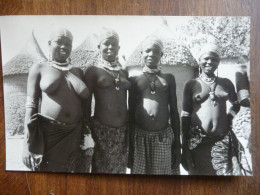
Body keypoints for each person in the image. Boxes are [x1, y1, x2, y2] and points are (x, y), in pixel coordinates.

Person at [22, 28, 90, 172]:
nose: (64, 46)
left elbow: (86, 107)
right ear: (49, 43)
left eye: (68, 43)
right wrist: (26, 144)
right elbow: (31, 106)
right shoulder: (39, 68)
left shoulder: (78, 71)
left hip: (75, 134)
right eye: (59, 42)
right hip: (49, 135)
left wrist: (87, 135)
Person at [181, 43, 252, 175]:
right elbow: (185, 114)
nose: (209, 62)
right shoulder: (191, 84)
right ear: (199, 60)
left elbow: (236, 104)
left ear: (218, 62)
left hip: (222, 141)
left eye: (214, 59)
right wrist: (184, 146)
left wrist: (229, 116)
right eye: (206, 58)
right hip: (198, 142)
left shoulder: (226, 83)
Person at [128, 36, 180, 175]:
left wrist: (177, 144)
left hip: (163, 137)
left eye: (156, 51)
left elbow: (174, 111)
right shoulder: (134, 79)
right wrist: (130, 143)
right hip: (140, 138)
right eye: (147, 51)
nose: (151, 54)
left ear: (161, 55)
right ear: (141, 54)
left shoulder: (168, 78)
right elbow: (130, 112)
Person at [84, 27, 130, 174]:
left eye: (114, 44)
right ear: (99, 47)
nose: (110, 47)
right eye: (106, 43)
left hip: (122, 131)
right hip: (101, 131)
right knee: (101, 172)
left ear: (119, 48)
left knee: (119, 172)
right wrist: (86, 132)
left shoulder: (124, 72)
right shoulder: (93, 71)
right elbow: (85, 104)